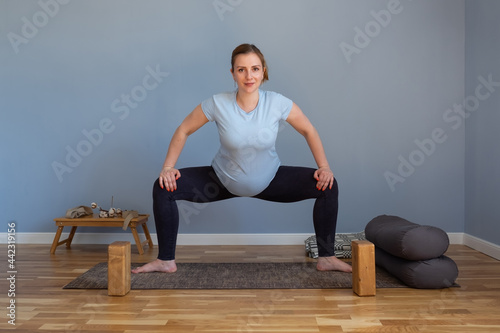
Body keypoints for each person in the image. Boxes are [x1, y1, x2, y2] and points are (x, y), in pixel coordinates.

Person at [132, 43, 352, 274]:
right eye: (241, 70)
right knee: (163, 187)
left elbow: (309, 130)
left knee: (328, 185)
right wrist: (168, 167)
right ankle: (166, 260)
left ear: (263, 71)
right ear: (233, 73)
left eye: (255, 69)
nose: (249, 76)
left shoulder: (277, 103)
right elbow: (183, 129)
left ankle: (326, 257)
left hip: (270, 179)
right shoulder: (217, 103)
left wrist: (324, 166)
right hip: (220, 180)